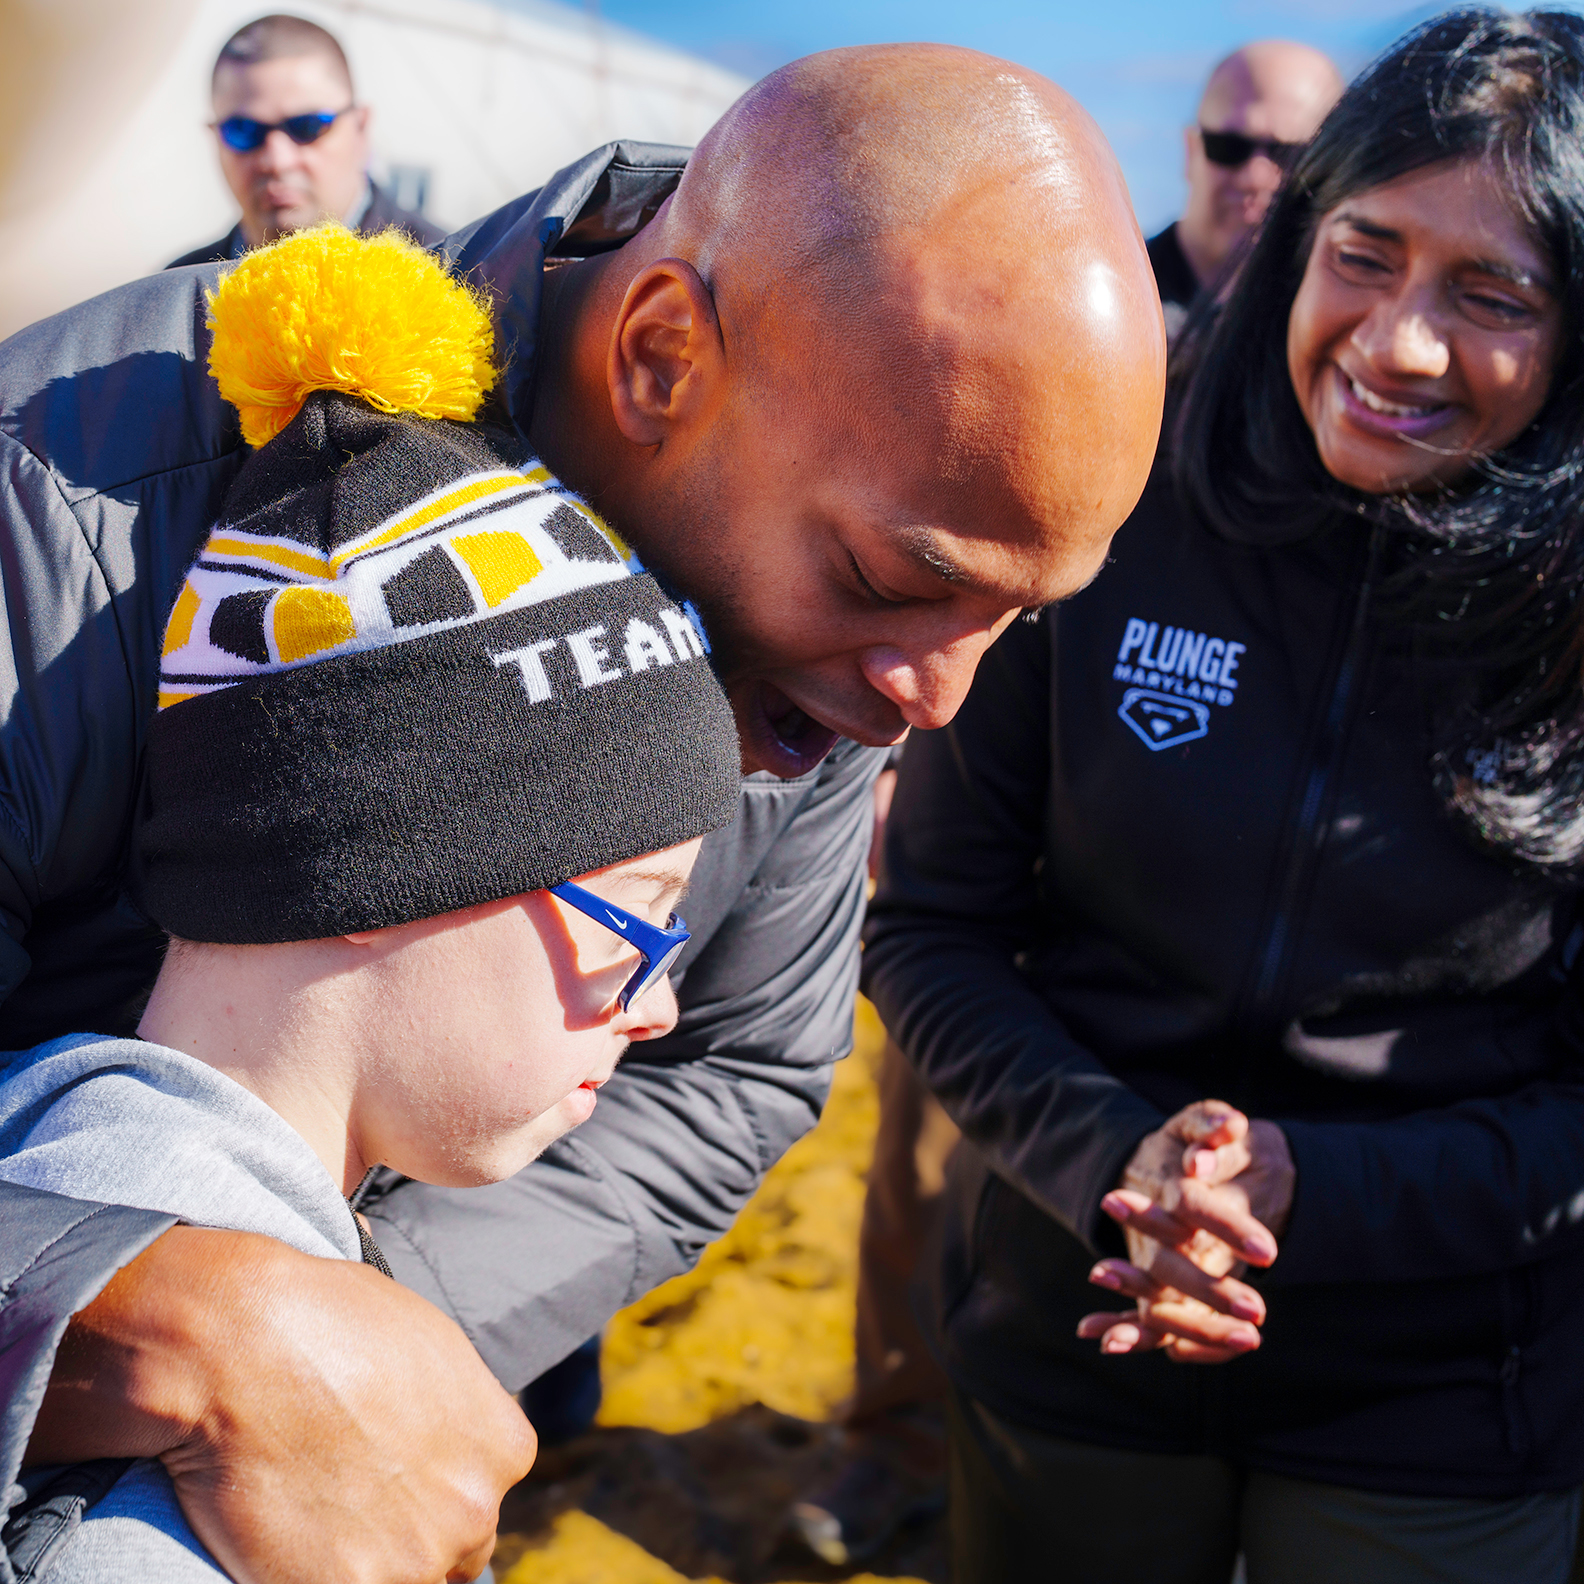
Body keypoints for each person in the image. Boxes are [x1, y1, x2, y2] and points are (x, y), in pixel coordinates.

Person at [0, 46, 1167, 1584]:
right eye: (900, 581)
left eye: (1017, 619)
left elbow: (743, 1061)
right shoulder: (84, 497)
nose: (933, 702)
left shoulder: (835, 650)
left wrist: (379, 1330)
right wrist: (147, 1305)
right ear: (664, 355)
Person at [866, 9, 1584, 1582]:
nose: (1399, 343)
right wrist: (1115, 1163)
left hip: (1449, 1403)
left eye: (1493, 296)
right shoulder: (1114, 492)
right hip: (1075, 1336)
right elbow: (930, 928)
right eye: (1367, 254)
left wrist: (1300, 1194)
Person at [1, 220, 742, 1582]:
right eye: (635, 922)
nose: (660, 1008)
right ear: (374, 864)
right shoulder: (179, 1513)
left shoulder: (64, 1155)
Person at [167, 14, 441, 268]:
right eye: (243, 130)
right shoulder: (174, 299)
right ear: (214, 138)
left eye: (307, 126)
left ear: (361, 127)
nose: (277, 160)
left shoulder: (451, 280)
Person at [1146, 40, 1341, 333]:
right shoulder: (1119, 303)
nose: (1255, 176)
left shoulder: (1345, 329)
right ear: (1191, 152)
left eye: (1288, 154)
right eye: (1228, 148)